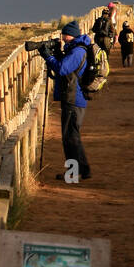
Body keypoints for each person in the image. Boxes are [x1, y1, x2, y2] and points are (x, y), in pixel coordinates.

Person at [41, 22, 92, 182]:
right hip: (74, 98)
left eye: (65, 35)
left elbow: (62, 69)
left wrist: (48, 57)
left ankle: (73, 173)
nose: (63, 38)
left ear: (72, 35)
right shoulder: (76, 49)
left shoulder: (77, 51)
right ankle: (84, 170)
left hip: (73, 98)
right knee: (73, 136)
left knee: (69, 138)